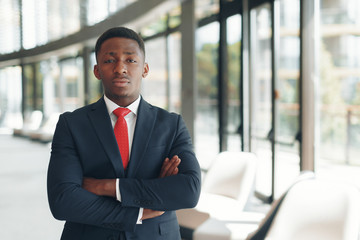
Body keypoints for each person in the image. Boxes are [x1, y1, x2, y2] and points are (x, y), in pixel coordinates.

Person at [47, 26, 201, 240]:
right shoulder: (71, 124)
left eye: (130, 60)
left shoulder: (171, 124)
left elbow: (188, 191)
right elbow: (63, 201)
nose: (120, 68)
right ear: (97, 70)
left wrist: (107, 186)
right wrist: (142, 208)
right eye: (110, 60)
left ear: (145, 69)